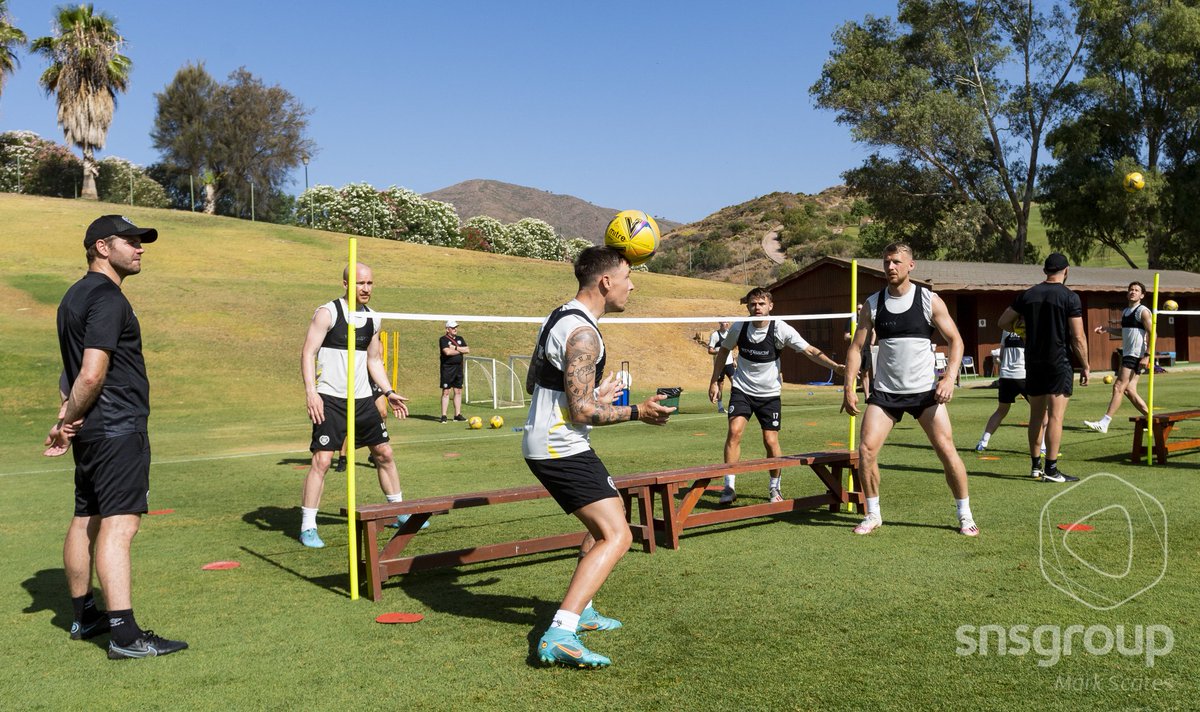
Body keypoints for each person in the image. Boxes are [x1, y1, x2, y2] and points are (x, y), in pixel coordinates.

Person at [44, 215, 188, 659]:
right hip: (117, 428)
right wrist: (71, 417)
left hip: (92, 431)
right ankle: (124, 635)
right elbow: (91, 371)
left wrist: (65, 419)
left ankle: (85, 615)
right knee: (120, 524)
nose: (141, 248)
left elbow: (67, 374)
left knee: (86, 517)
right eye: (132, 242)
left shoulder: (73, 297)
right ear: (103, 247)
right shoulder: (107, 298)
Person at [524, 246, 674, 669]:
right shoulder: (584, 333)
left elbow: (537, 381)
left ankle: (583, 611)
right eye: (628, 275)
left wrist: (592, 392)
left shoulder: (560, 316)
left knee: (608, 520)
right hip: (559, 446)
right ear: (606, 281)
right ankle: (561, 632)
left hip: (553, 441)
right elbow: (582, 412)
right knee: (619, 535)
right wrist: (637, 411)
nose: (633, 285)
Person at [842, 243, 977, 536]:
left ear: (910, 265)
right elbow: (856, 347)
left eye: (896, 262)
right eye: (886, 262)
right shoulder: (873, 304)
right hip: (885, 394)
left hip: (926, 393)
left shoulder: (930, 301)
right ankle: (873, 514)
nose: (890, 267)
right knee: (865, 450)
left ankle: (965, 515)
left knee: (946, 451)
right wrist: (849, 386)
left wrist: (948, 378)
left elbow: (956, 341)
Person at [299, 263, 415, 549]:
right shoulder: (327, 313)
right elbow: (308, 352)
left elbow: (374, 360)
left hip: (363, 399)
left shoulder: (374, 319)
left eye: (370, 283)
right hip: (330, 399)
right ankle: (308, 526)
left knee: (384, 453)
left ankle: (398, 512)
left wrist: (388, 392)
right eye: (360, 283)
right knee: (322, 461)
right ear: (346, 284)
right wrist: (311, 393)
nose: (366, 288)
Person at [708, 288, 845, 505]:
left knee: (770, 441)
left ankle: (774, 488)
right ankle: (729, 486)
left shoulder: (780, 328)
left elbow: (809, 351)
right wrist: (715, 381)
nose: (757, 308)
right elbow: (724, 351)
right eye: (753, 304)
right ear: (748, 307)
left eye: (762, 304)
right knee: (734, 432)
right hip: (742, 390)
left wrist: (835, 367)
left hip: (769, 394)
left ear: (770, 306)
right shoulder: (739, 327)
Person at [998, 252, 1089, 483]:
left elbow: (1003, 322)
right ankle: (1052, 469)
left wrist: (1022, 331)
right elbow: (1078, 337)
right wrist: (1086, 365)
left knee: (1036, 415)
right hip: (1058, 361)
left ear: (1045, 271)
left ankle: (1035, 466)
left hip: (1033, 360)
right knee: (1056, 417)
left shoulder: (1028, 295)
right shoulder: (1070, 297)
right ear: (1066, 270)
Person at [1084, 281, 1151, 434]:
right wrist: (1107, 329)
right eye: (1131, 290)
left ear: (1142, 295)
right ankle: (1153, 420)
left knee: (1118, 386)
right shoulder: (1126, 311)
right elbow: (1124, 332)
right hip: (1128, 353)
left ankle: (1104, 422)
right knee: (1129, 390)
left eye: (1136, 290)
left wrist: (1147, 355)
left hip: (1136, 354)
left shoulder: (1143, 312)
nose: (1133, 292)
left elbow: (1153, 333)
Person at [974, 319, 1046, 454]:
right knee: (1043, 414)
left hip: (1006, 376)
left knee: (1001, 411)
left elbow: (1001, 354)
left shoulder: (1007, 329)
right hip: (1024, 376)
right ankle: (1043, 447)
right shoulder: (1033, 327)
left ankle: (982, 442)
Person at [335, 385, 387, 472]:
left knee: (383, 413)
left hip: (371, 379)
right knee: (348, 419)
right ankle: (342, 458)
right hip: (355, 382)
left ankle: (374, 453)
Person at [439, 320, 469, 423]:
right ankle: (444, 415)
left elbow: (467, 350)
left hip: (458, 368)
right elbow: (447, 352)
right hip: (447, 369)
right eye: (453, 328)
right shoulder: (443, 339)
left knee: (458, 391)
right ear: (447, 329)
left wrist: (455, 348)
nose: (455, 329)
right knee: (446, 391)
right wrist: (460, 350)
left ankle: (457, 414)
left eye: (456, 327)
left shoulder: (460, 339)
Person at [844, 303, 873, 398]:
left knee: (866, 373)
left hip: (866, 349)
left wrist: (872, 343)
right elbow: (846, 336)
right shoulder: (851, 321)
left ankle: (867, 396)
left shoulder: (867, 319)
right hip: (856, 350)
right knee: (854, 373)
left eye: (861, 308)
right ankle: (851, 394)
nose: (860, 310)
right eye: (858, 309)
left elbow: (874, 332)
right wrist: (858, 337)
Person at [707, 321, 735, 413]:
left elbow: (731, 349)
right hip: (720, 364)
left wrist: (734, 359)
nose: (727, 324)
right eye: (724, 323)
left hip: (730, 364)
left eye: (728, 322)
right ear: (720, 324)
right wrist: (719, 352)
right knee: (720, 385)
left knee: (735, 383)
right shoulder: (715, 335)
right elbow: (710, 350)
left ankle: (734, 403)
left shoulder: (729, 334)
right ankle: (720, 407)